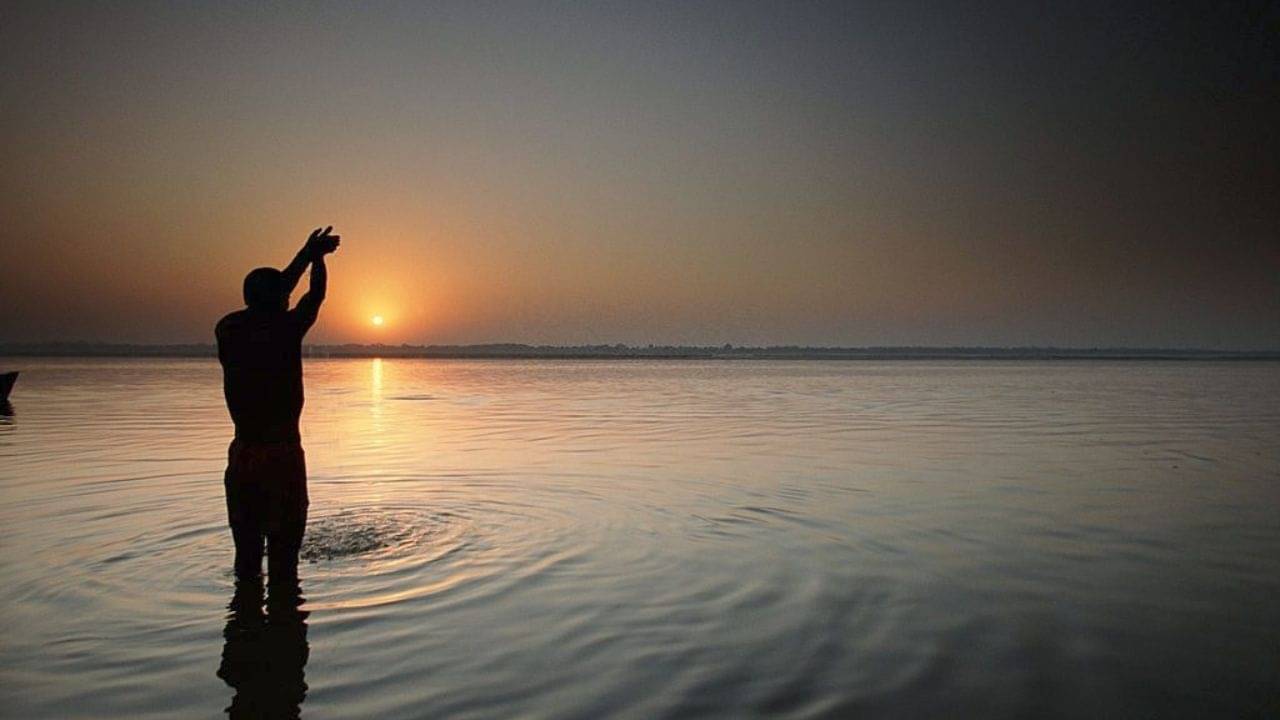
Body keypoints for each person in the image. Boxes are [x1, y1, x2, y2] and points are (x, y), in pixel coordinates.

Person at [216, 226, 340, 582]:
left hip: (243, 456)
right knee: (285, 566)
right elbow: (314, 295)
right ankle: (283, 630)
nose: (288, 297)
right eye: (283, 295)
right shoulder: (286, 329)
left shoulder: (228, 329)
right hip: (282, 457)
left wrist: (305, 255)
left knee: (247, 561)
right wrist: (314, 259)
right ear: (277, 299)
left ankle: (246, 629)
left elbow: (275, 292)